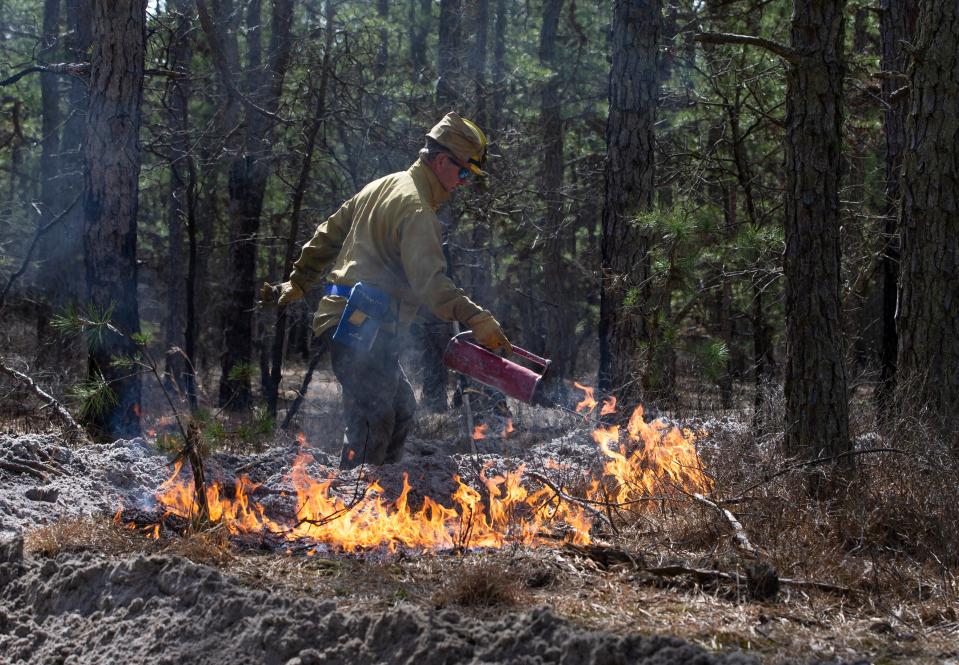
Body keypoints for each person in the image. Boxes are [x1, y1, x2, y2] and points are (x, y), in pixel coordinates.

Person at [261, 112, 511, 469]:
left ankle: (384, 495)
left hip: (359, 326)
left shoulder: (382, 185)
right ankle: (352, 505)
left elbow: (327, 233)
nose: (463, 182)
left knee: (401, 410)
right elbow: (432, 286)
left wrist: (299, 280)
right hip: (361, 327)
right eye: (463, 172)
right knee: (374, 421)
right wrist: (476, 317)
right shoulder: (417, 210)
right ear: (442, 161)